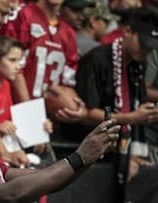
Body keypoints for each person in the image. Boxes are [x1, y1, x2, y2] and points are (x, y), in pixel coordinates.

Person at [74, 7, 158, 202]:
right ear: (127, 31)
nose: (145, 51)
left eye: (150, 47)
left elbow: (137, 103)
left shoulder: (139, 63)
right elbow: (86, 114)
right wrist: (131, 118)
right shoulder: (97, 59)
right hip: (91, 148)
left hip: (124, 148)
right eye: (142, 43)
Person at [0, 0, 87, 123]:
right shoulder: (23, 16)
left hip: (47, 120)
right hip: (14, 112)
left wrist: (77, 107)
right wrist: (30, 111)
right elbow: (14, 66)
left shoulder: (68, 33)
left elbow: (67, 81)